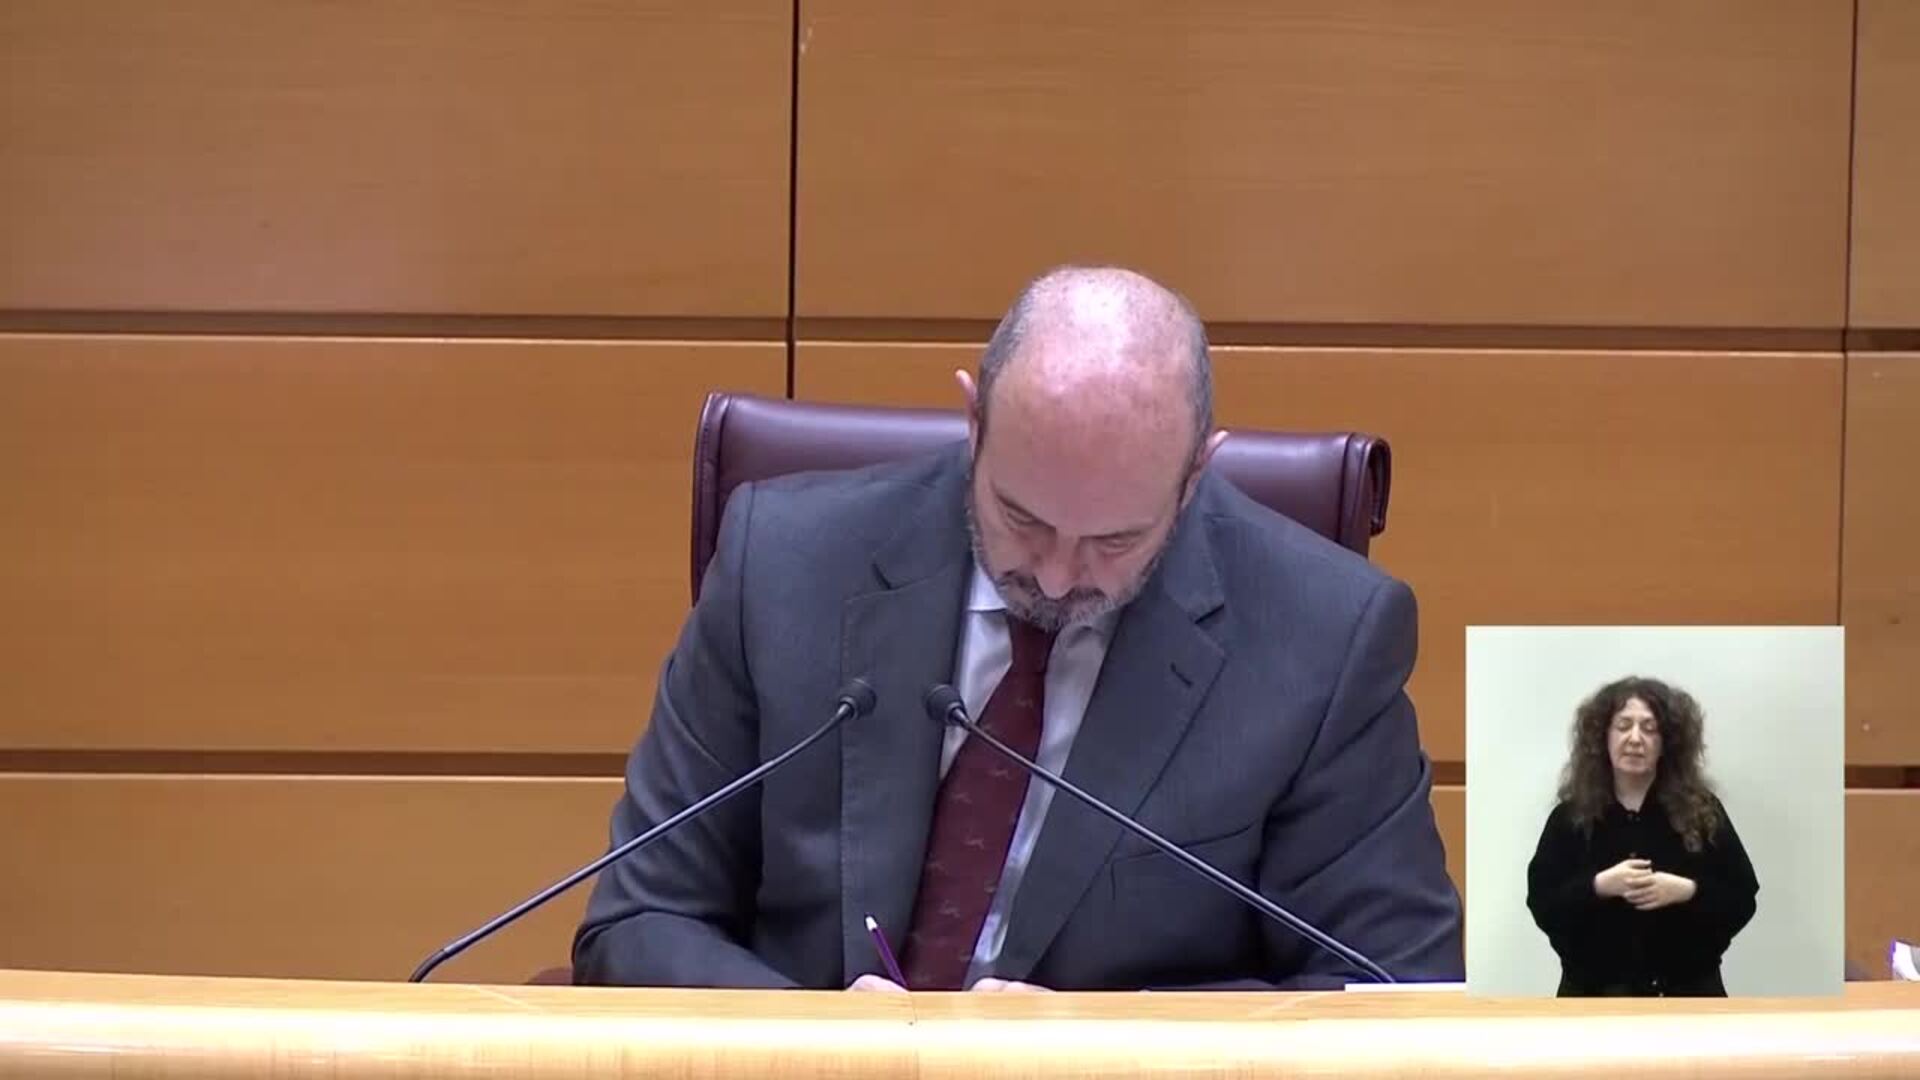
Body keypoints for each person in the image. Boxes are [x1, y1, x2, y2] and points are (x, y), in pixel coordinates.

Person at [572, 265, 1462, 991]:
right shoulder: (783, 565)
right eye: (1022, 519)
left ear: (1197, 474)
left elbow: (1390, 984)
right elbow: (640, 919)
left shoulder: (1326, 638)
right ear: (973, 422)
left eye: (1115, 540)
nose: (1057, 576)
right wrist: (826, 1048)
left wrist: (1108, 1049)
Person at [1525, 676, 1759, 996]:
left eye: (1649, 729)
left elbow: (1742, 898)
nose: (1635, 739)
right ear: (1603, 737)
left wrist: (1688, 891)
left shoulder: (1702, 812)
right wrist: (1598, 886)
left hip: (1689, 996)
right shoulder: (1570, 817)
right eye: (1623, 726)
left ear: (1667, 743)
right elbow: (1543, 903)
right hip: (1593, 998)